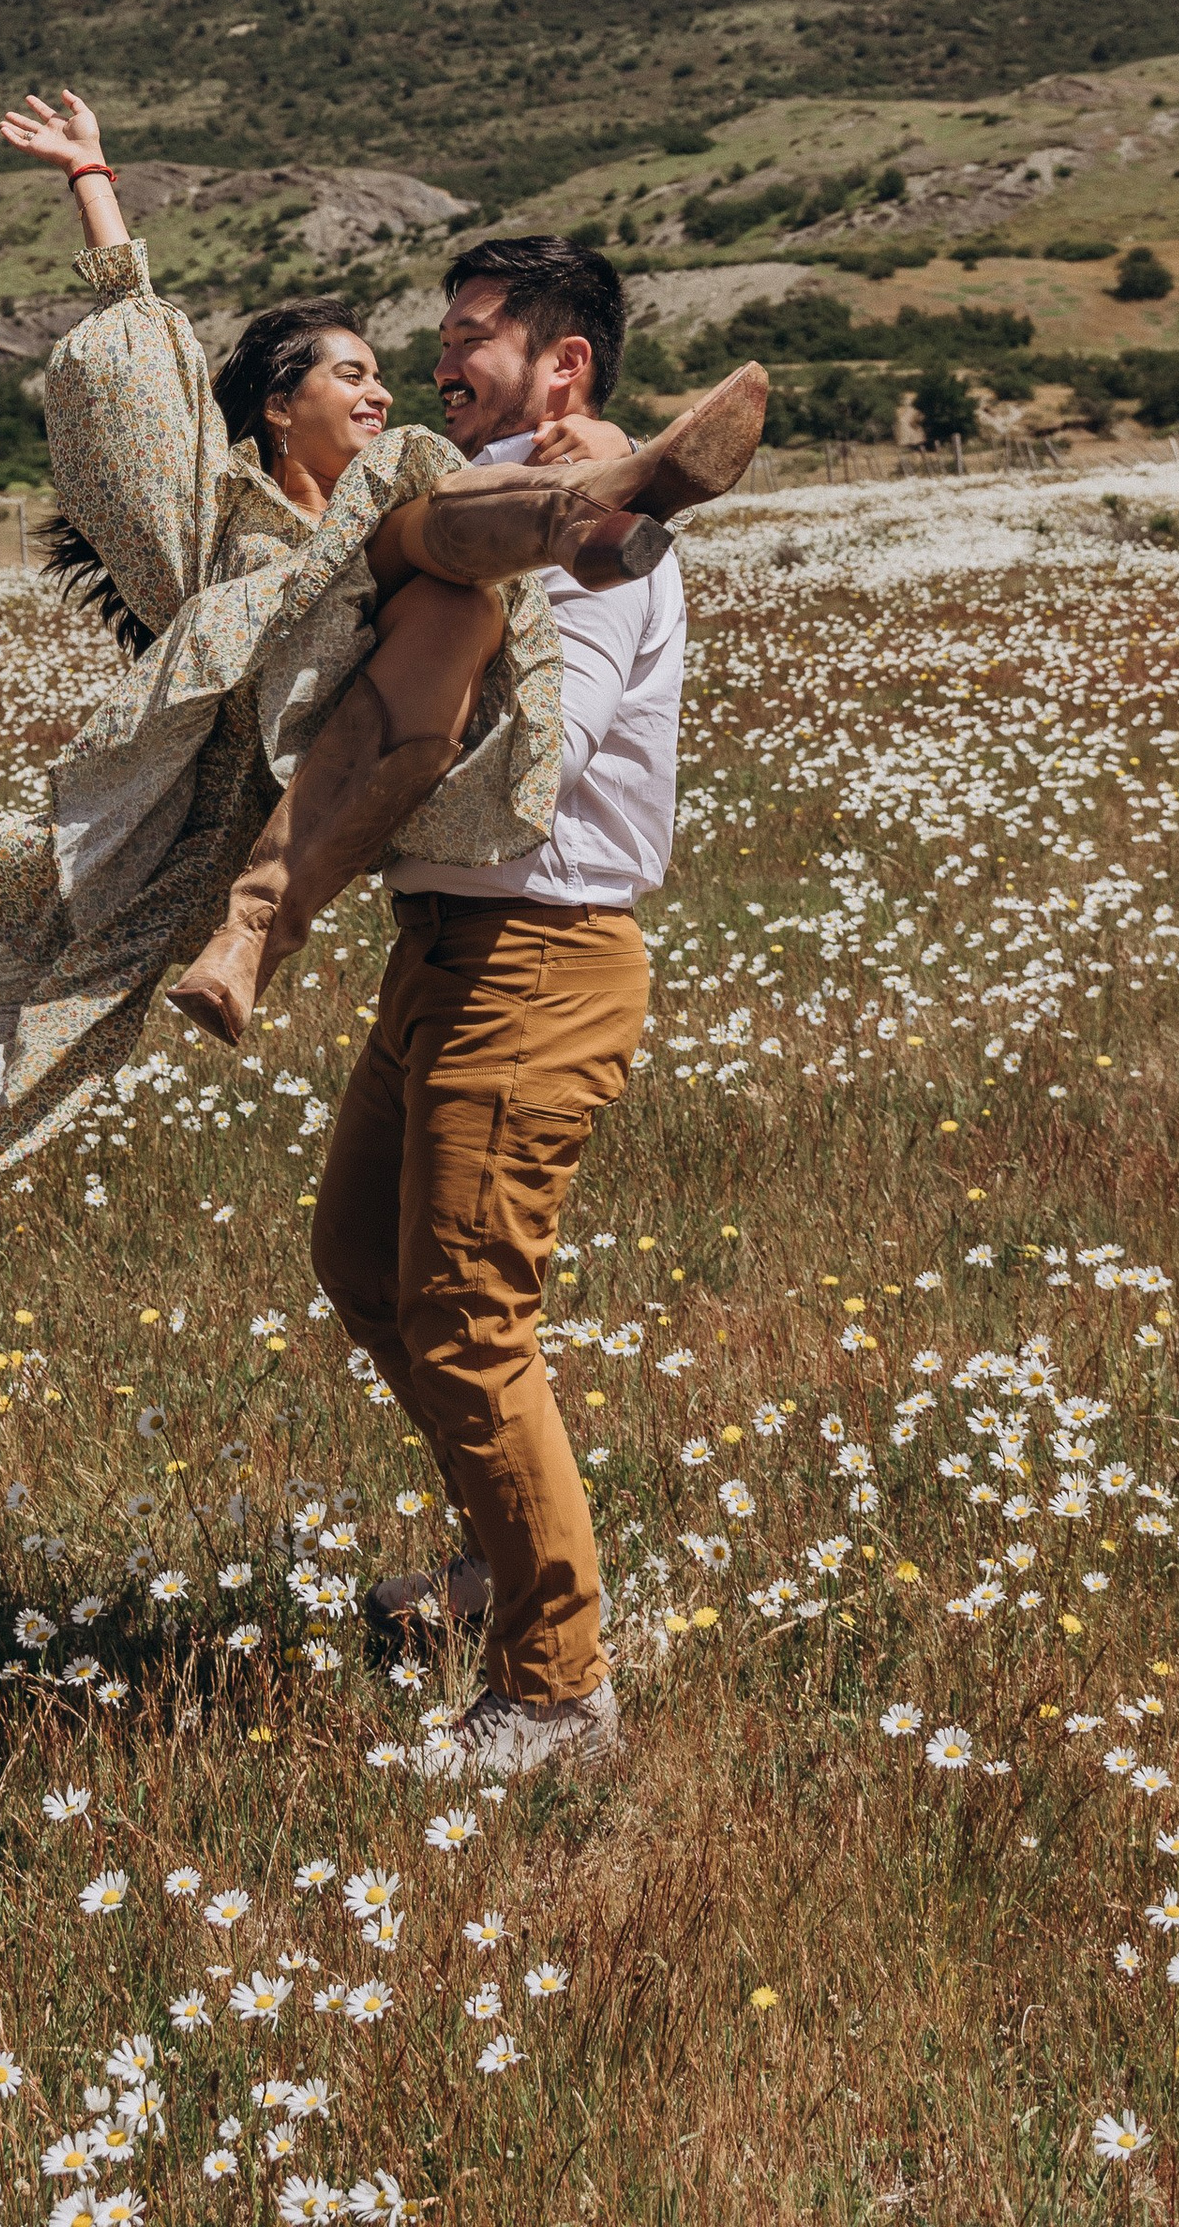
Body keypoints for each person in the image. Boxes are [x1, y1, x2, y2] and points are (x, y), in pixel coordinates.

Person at [0, 95, 763, 1175]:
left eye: (416, 361)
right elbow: (144, 386)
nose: (391, 388)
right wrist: (90, 183)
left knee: (435, 547)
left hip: (472, 795)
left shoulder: (433, 491)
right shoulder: (222, 521)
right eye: (355, 373)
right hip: (338, 709)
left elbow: (556, 738)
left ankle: (604, 497)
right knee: (418, 519)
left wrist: (594, 444)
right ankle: (598, 497)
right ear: (280, 409)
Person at [311, 232, 698, 1787]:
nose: (444, 358)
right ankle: (501, 1561)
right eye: (444, 330)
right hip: (442, 955)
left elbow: (550, 739)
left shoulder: (594, 528)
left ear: (566, 369)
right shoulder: (481, 521)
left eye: (475, 335)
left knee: (474, 1325)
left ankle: (556, 1696)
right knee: (360, 1260)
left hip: (537, 958)